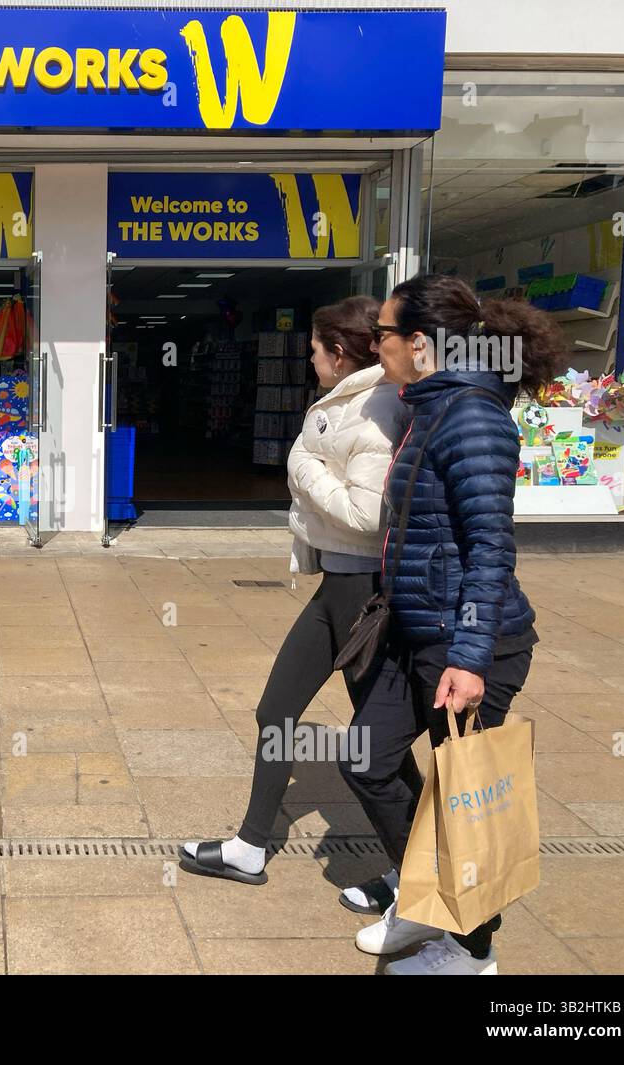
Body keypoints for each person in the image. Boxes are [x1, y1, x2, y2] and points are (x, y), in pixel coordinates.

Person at [340, 274, 558, 976]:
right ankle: (422, 896)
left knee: (464, 805)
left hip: (472, 646)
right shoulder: (428, 406)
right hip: (417, 632)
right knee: (367, 760)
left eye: (383, 333)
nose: (375, 344)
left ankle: (472, 949)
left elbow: (490, 545)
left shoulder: (471, 415)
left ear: (421, 344)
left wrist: (466, 655)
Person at [180, 296, 409, 887]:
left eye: (313, 350)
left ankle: (421, 871)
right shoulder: (347, 403)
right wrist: (307, 458)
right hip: (339, 584)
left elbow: (365, 515)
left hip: (365, 594)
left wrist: (303, 465)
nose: (308, 360)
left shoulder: (379, 408)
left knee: (379, 748)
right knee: (277, 711)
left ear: (338, 354)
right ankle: (250, 847)